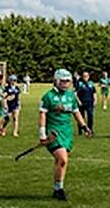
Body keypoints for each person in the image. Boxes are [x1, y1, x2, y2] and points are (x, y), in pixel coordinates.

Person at [38, 69, 92, 200]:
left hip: (67, 132)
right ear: (56, 81)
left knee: (61, 162)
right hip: (54, 132)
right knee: (62, 159)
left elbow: (76, 112)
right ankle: (59, 189)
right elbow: (42, 114)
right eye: (63, 81)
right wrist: (42, 134)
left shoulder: (70, 96)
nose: (65, 84)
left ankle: (57, 188)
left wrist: (84, 126)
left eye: (68, 81)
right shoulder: (48, 96)